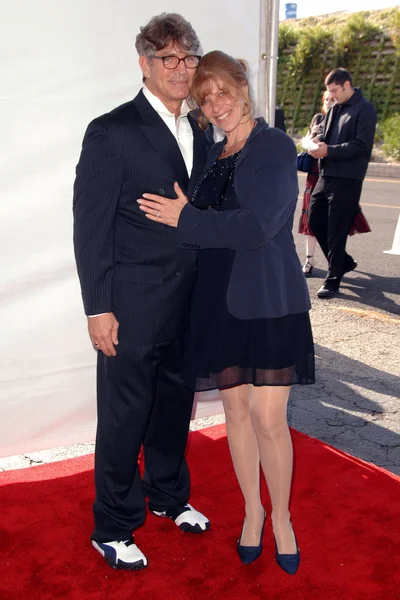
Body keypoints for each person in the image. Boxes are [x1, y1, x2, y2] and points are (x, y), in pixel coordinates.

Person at [138, 51, 315, 575]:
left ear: (243, 87)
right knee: (235, 414)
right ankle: (252, 513)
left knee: (267, 418)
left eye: (222, 92)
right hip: (218, 301)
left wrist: (186, 219)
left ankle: (282, 517)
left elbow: (257, 226)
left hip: (269, 302)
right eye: (204, 98)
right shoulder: (212, 154)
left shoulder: (275, 147)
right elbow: (195, 219)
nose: (215, 105)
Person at [73, 13, 210, 572]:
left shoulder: (202, 128)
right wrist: (98, 307)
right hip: (130, 303)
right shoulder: (112, 130)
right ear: (145, 63)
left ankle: (168, 496)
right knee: (125, 415)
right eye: (169, 59)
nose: (181, 70)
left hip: (188, 301)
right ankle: (111, 525)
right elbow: (91, 224)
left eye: (189, 58)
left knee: (175, 407)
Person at [308, 68, 377, 298]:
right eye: (329, 92)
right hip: (326, 175)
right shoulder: (335, 109)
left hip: (348, 178)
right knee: (314, 219)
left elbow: (361, 146)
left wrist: (329, 150)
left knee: (337, 230)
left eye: (335, 91)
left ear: (347, 85)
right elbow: (325, 135)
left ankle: (333, 279)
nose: (332, 96)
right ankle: (343, 261)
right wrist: (317, 142)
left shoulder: (365, 109)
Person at [299, 91, 335, 276]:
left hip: (331, 176)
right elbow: (305, 140)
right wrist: (309, 140)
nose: (329, 102)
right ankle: (309, 259)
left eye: (332, 99)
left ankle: (335, 261)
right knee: (310, 221)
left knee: (332, 222)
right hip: (314, 174)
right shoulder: (318, 118)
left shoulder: (341, 121)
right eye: (326, 100)